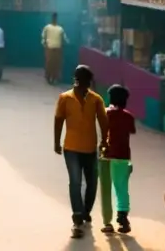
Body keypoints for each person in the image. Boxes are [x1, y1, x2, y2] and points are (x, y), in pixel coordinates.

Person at [54, 64, 109, 239]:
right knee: (75, 182)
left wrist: (104, 141)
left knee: (92, 183)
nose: (85, 86)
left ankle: (86, 211)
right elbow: (58, 120)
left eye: (87, 82)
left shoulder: (96, 99)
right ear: (77, 81)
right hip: (71, 148)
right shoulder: (65, 98)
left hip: (90, 148)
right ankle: (77, 217)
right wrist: (56, 142)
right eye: (83, 82)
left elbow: (103, 121)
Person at [98, 84, 136, 235]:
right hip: (122, 156)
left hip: (105, 154)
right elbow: (131, 130)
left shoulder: (105, 113)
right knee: (121, 188)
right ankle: (123, 218)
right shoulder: (128, 116)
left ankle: (107, 222)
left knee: (105, 189)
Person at [42, 12, 68, 85]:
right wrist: (44, 44)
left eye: (55, 18)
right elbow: (43, 36)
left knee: (56, 64)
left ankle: (54, 77)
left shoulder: (60, 29)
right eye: (53, 17)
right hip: (49, 48)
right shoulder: (47, 27)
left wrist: (67, 42)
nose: (54, 19)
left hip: (58, 48)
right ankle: (48, 77)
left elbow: (64, 37)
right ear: (52, 18)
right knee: (49, 63)